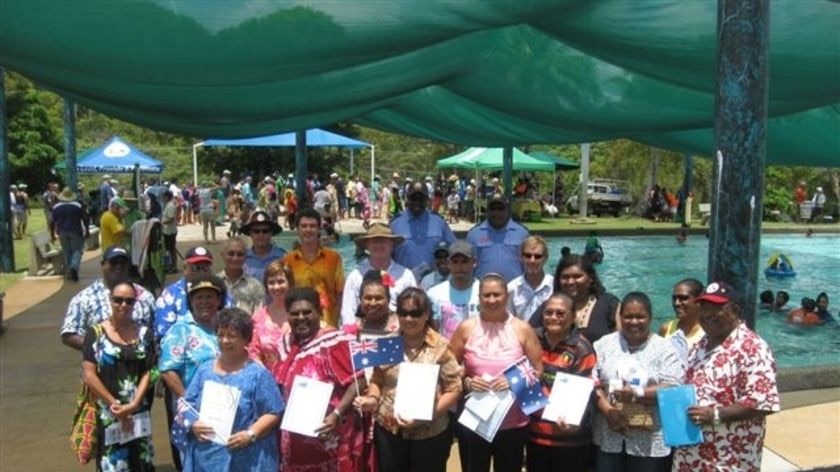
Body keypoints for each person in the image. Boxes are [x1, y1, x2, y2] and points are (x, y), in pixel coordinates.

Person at [674, 281, 780, 471]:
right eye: (704, 307)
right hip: (690, 457)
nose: (708, 314)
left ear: (736, 309)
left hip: (728, 459)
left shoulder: (752, 347)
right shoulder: (701, 344)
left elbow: (763, 402)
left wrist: (715, 414)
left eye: (717, 308)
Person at [353, 287, 462, 472]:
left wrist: (427, 415)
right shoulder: (388, 344)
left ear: (426, 314)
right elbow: (377, 380)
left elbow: (454, 389)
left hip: (430, 432)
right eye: (403, 313)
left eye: (415, 313)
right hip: (389, 429)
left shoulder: (441, 346)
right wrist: (371, 399)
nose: (409, 319)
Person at [449, 273, 543, 472]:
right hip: (475, 419)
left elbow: (538, 371)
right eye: (486, 295)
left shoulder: (522, 329)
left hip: (513, 422)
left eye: (497, 295)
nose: (491, 300)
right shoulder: (466, 328)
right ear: (479, 297)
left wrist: (514, 381)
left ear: (507, 296)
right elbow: (449, 369)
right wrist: (467, 382)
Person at [275, 287, 365, 471]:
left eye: (307, 312)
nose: (301, 317)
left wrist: (336, 414)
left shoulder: (335, 342)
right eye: (295, 313)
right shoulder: (285, 344)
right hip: (294, 443)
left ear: (319, 312)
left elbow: (359, 381)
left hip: (330, 440)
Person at [182, 308, 284, 471]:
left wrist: (251, 434)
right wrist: (193, 424)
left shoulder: (258, 374)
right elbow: (186, 405)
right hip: (206, 458)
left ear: (246, 339)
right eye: (221, 335)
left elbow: (274, 411)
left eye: (232, 336)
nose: (225, 340)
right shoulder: (204, 370)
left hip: (247, 458)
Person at [592, 292, 683, 472]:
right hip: (610, 433)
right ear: (620, 317)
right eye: (628, 316)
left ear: (650, 317)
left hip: (649, 440)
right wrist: (608, 410)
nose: (634, 322)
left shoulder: (665, 348)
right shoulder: (603, 344)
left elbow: (673, 386)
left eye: (640, 317)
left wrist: (637, 394)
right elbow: (592, 381)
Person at [81, 281, 156, 471]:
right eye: (118, 300)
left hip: (137, 413)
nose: (123, 305)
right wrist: (115, 405)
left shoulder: (145, 333)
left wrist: (133, 404)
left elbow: (150, 370)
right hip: (109, 414)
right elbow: (89, 374)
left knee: (141, 463)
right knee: (112, 465)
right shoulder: (95, 334)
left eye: (129, 301)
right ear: (110, 300)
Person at [159, 274, 228, 470]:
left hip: (226, 408)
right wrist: (189, 402)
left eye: (210, 296)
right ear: (190, 301)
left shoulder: (227, 327)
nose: (205, 302)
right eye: (199, 297)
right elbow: (167, 370)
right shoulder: (180, 330)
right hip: (193, 410)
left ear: (219, 300)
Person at [527, 293, 597, 472]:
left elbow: (586, 393)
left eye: (560, 313)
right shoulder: (532, 340)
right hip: (534, 435)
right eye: (548, 312)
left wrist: (575, 421)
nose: (553, 317)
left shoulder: (581, 348)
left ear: (574, 317)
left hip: (569, 438)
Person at [61, 246, 156, 351]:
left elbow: (157, 330)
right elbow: (69, 334)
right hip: (100, 364)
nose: (118, 266)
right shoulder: (84, 298)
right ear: (103, 264)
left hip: (140, 361)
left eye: (122, 263)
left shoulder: (146, 297)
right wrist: (99, 351)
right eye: (113, 262)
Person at [529, 255, 620, 344]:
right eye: (565, 277)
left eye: (577, 276)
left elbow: (624, 340)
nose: (570, 282)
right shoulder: (550, 307)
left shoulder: (609, 305)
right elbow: (528, 333)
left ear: (591, 278)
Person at [341, 223, 417, 326]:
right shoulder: (355, 276)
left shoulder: (406, 275)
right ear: (367, 245)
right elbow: (347, 311)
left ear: (392, 245)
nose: (378, 245)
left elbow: (414, 308)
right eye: (374, 242)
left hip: (398, 333)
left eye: (383, 241)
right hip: (362, 334)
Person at [154, 245, 234, 342]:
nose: (201, 272)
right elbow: (163, 331)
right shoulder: (170, 295)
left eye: (205, 268)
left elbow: (231, 322)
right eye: (196, 267)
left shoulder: (220, 290)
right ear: (185, 268)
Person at [283, 208, 345, 327]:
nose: (308, 230)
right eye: (304, 226)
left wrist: (337, 319)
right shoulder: (288, 260)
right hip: (299, 324)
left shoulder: (333, 258)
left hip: (328, 323)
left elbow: (340, 292)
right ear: (297, 230)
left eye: (312, 226)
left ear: (319, 229)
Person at [390, 181, 456, 277]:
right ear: (407, 199)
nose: (417, 202)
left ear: (427, 200)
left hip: (434, 283)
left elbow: (454, 250)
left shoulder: (439, 223)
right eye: (414, 198)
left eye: (421, 199)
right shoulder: (395, 224)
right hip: (404, 284)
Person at [466, 194, 530, 282]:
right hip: (484, 292)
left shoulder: (522, 233)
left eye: (501, 209)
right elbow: (467, 266)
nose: (496, 212)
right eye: (493, 209)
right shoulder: (473, 234)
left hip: (515, 291)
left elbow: (529, 264)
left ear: (508, 210)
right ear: (487, 211)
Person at [427, 240, 481, 339]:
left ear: (474, 262)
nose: (460, 267)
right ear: (448, 263)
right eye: (455, 262)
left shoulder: (483, 292)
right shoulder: (434, 293)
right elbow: (432, 329)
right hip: (445, 351)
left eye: (464, 261)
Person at [248, 260, 295, 374]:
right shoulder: (258, 317)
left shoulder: (300, 314)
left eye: (281, 281)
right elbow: (253, 353)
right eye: (271, 282)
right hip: (268, 380)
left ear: (291, 283)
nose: (276, 287)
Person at [507, 235, 554, 322]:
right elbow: (509, 320)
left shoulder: (555, 286)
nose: (532, 260)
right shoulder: (512, 288)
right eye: (528, 255)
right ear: (521, 257)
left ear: (546, 258)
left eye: (537, 256)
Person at [658, 278, 705, 359]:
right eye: (674, 298)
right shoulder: (666, 328)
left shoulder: (706, 332)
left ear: (699, 300)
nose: (677, 303)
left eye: (683, 298)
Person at [218, 236, 265, 314]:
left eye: (240, 254)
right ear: (222, 255)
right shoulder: (214, 283)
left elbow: (258, 317)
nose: (235, 258)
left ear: (246, 257)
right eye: (231, 254)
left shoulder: (256, 286)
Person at [50, 186, 89, 282]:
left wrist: (52, 234)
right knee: (77, 250)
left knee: (66, 251)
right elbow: (85, 218)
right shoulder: (78, 206)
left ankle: (69, 272)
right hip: (76, 231)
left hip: (62, 232)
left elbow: (51, 222)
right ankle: (74, 267)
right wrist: (87, 230)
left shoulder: (56, 207)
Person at [346, 270, 401, 336]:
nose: (373, 303)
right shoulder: (351, 330)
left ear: (388, 299)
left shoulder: (402, 326)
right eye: (368, 298)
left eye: (378, 298)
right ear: (360, 299)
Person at [240, 210, 285, 282]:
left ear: (271, 233)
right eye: (256, 231)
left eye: (265, 231)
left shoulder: (283, 257)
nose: (261, 235)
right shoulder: (242, 258)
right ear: (250, 233)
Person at [161, 190, 179, 273]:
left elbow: (171, 219)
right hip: (167, 231)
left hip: (170, 231)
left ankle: (174, 267)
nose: (162, 198)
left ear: (167, 197)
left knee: (171, 250)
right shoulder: (168, 205)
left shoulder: (170, 206)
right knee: (169, 250)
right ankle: (170, 266)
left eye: (164, 197)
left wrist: (162, 223)